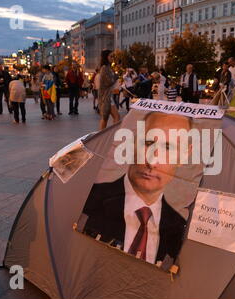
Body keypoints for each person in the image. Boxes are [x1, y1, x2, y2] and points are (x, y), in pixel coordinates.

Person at [82, 112, 191, 264]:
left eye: (168, 147)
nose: (152, 162)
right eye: (148, 143)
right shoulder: (88, 200)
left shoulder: (181, 229)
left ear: (185, 155)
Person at [98, 49, 120, 130]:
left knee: (109, 117)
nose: (112, 58)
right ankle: (104, 137)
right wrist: (116, 76)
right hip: (105, 97)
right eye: (111, 56)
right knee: (107, 117)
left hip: (108, 96)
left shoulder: (108, 67)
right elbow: (108, 82)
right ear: (106, 57)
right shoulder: (104, 68)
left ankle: (104, 136)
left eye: (113, 56)